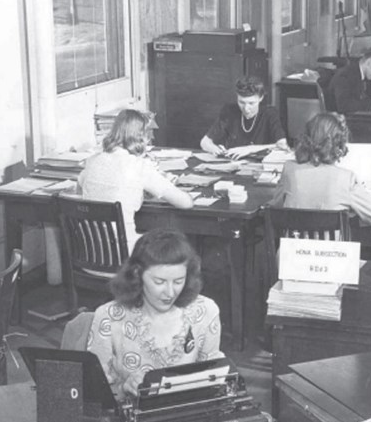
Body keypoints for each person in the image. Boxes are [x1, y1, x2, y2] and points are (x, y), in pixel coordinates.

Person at [86, 229, 223, 397]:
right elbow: (94, 391)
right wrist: (124, 388)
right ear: (137, 274)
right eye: (159, 282)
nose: (170, 293)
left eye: (179, 281)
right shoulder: (108, 317)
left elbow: (212, 376)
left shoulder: (206, 311)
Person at [78, 109, 193, 252]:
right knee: (176, 245)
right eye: (147, 135)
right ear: (140, 137)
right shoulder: (139, 166)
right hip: (126, 258)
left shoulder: (93, 161)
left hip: (90, 256)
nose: (148, 140)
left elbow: (81, 185)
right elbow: (185, 203)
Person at [272, 113, 371, 227]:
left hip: (293, 244)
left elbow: (274, 206)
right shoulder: (347, 179)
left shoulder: (289, 169)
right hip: (333, 246)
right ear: (339, 145)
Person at [200, 76, 288, 156]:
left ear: (261, 98)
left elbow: (282, 146)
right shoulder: (229, 111)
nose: (246, 108)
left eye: (251, 103)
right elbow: (204, 142)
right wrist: (214, 149)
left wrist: (249, 149)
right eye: (241, 102)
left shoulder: (270, 113)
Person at [326, 47, 371, 114]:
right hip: (340, 120)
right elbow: (344, 105)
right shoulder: (345, 76)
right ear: (369, 62)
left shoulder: (362, 76)